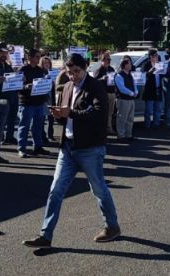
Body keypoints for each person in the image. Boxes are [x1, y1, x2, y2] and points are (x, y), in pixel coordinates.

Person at [22, 53, 120, 248]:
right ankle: (45, 235)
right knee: (55, 191)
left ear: (85, 68)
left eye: (77, 71)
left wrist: (70, 113)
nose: (73, 76)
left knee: (99, 189)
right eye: (70, 72)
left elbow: (98, 115)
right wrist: (58, 115)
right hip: (67, 147)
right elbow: (65, 117)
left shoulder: (95, 87)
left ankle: (112, 226)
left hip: (90, 148)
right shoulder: (66, 86)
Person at [17, 48, 51, 157]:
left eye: (39, 56)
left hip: (39, 102)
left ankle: (38, 147)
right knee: (24, 126)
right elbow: (16, 86)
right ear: (30, 58)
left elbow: (43, 83)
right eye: (37, 56)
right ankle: (21, 148)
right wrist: (26, 86)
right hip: (27, 102)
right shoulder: (22, 70)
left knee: (38, 126)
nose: (39, 59)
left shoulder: (40, 70)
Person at [93, 52, 117, 134]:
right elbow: (94, 82)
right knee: (103, 112)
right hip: (103, 94)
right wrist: (102, 79)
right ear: (102, 60)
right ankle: (102, 128)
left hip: (112, 93)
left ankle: (109, 128)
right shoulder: (98, 70)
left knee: (110, 112)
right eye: (106, 59)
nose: (108, 61)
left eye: (109, 59)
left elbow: (114, 80)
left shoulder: (112, 69)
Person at [115, 59, 137, 141]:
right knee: (122, 118)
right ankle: (121, 135)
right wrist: (131, 93)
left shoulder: (130, 74)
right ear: (124, 65)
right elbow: (121, 88)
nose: (131, 65)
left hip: (131, 99)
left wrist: (136, 91)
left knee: (130, 118)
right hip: (123, 99)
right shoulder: (119, 75)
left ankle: (129, 134)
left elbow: (134, 84)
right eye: (129, 64)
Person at [142, 49, 164, 129]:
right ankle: (147, 125)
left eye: (157, 56)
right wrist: (150, 71)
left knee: (158, 109)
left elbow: (163, 75)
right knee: (148, 110)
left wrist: (164, 70)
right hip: (150, 90)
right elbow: (143, 75)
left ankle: (156, 124)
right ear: (151, 57)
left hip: (158, 89)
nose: (157, 57)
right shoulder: (146, 65)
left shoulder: (159, 64)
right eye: (156, 56)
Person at [41, 56, 56, 144]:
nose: (47, 65)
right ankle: (43, 136)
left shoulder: (53, 72)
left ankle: (50, 135)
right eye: (44, 63)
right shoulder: (40, 72)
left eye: (48, 63)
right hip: (44, 97)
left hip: (51, 97)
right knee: (43, 118)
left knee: (51, 117)